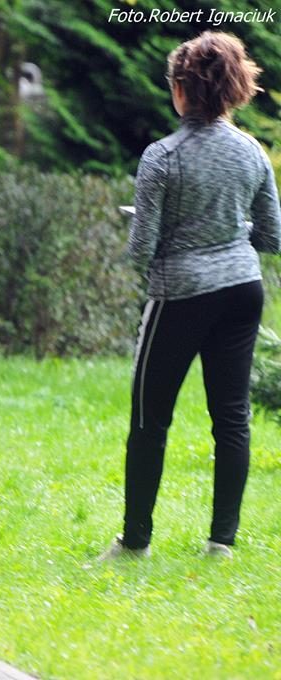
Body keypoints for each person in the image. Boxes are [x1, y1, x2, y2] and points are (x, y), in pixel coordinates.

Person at [100, 32, 281, 561]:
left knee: (149, 418)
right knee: (232, 417)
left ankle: (135, 542)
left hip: (180, 294)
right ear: (233, 88)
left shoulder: (162, 156)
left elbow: (143, 249)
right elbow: (272, 236)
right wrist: (225, 228)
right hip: (242, 291)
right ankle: (221, 543)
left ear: (182, 89)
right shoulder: (252, 152)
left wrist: (151, 223)